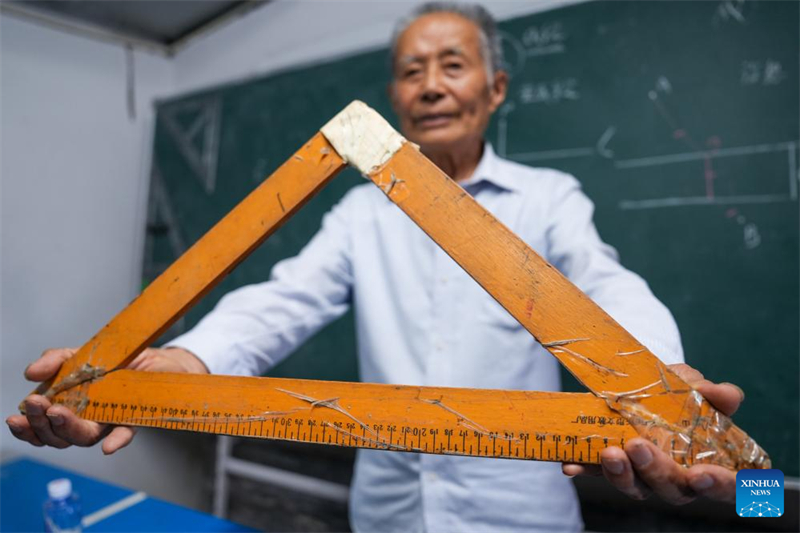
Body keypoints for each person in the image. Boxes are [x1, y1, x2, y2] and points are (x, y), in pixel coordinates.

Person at [8, 3, 745, 531]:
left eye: (452, 66)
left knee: (745, 477)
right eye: (411, 71)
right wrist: (187, 360)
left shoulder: (548, 199)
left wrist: (660, 378)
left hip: (521, 512)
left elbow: (605, 281)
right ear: (392, 100)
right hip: (386, 508)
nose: (429, 86)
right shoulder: (362, 211)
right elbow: (284, 298)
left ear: (495, 90)